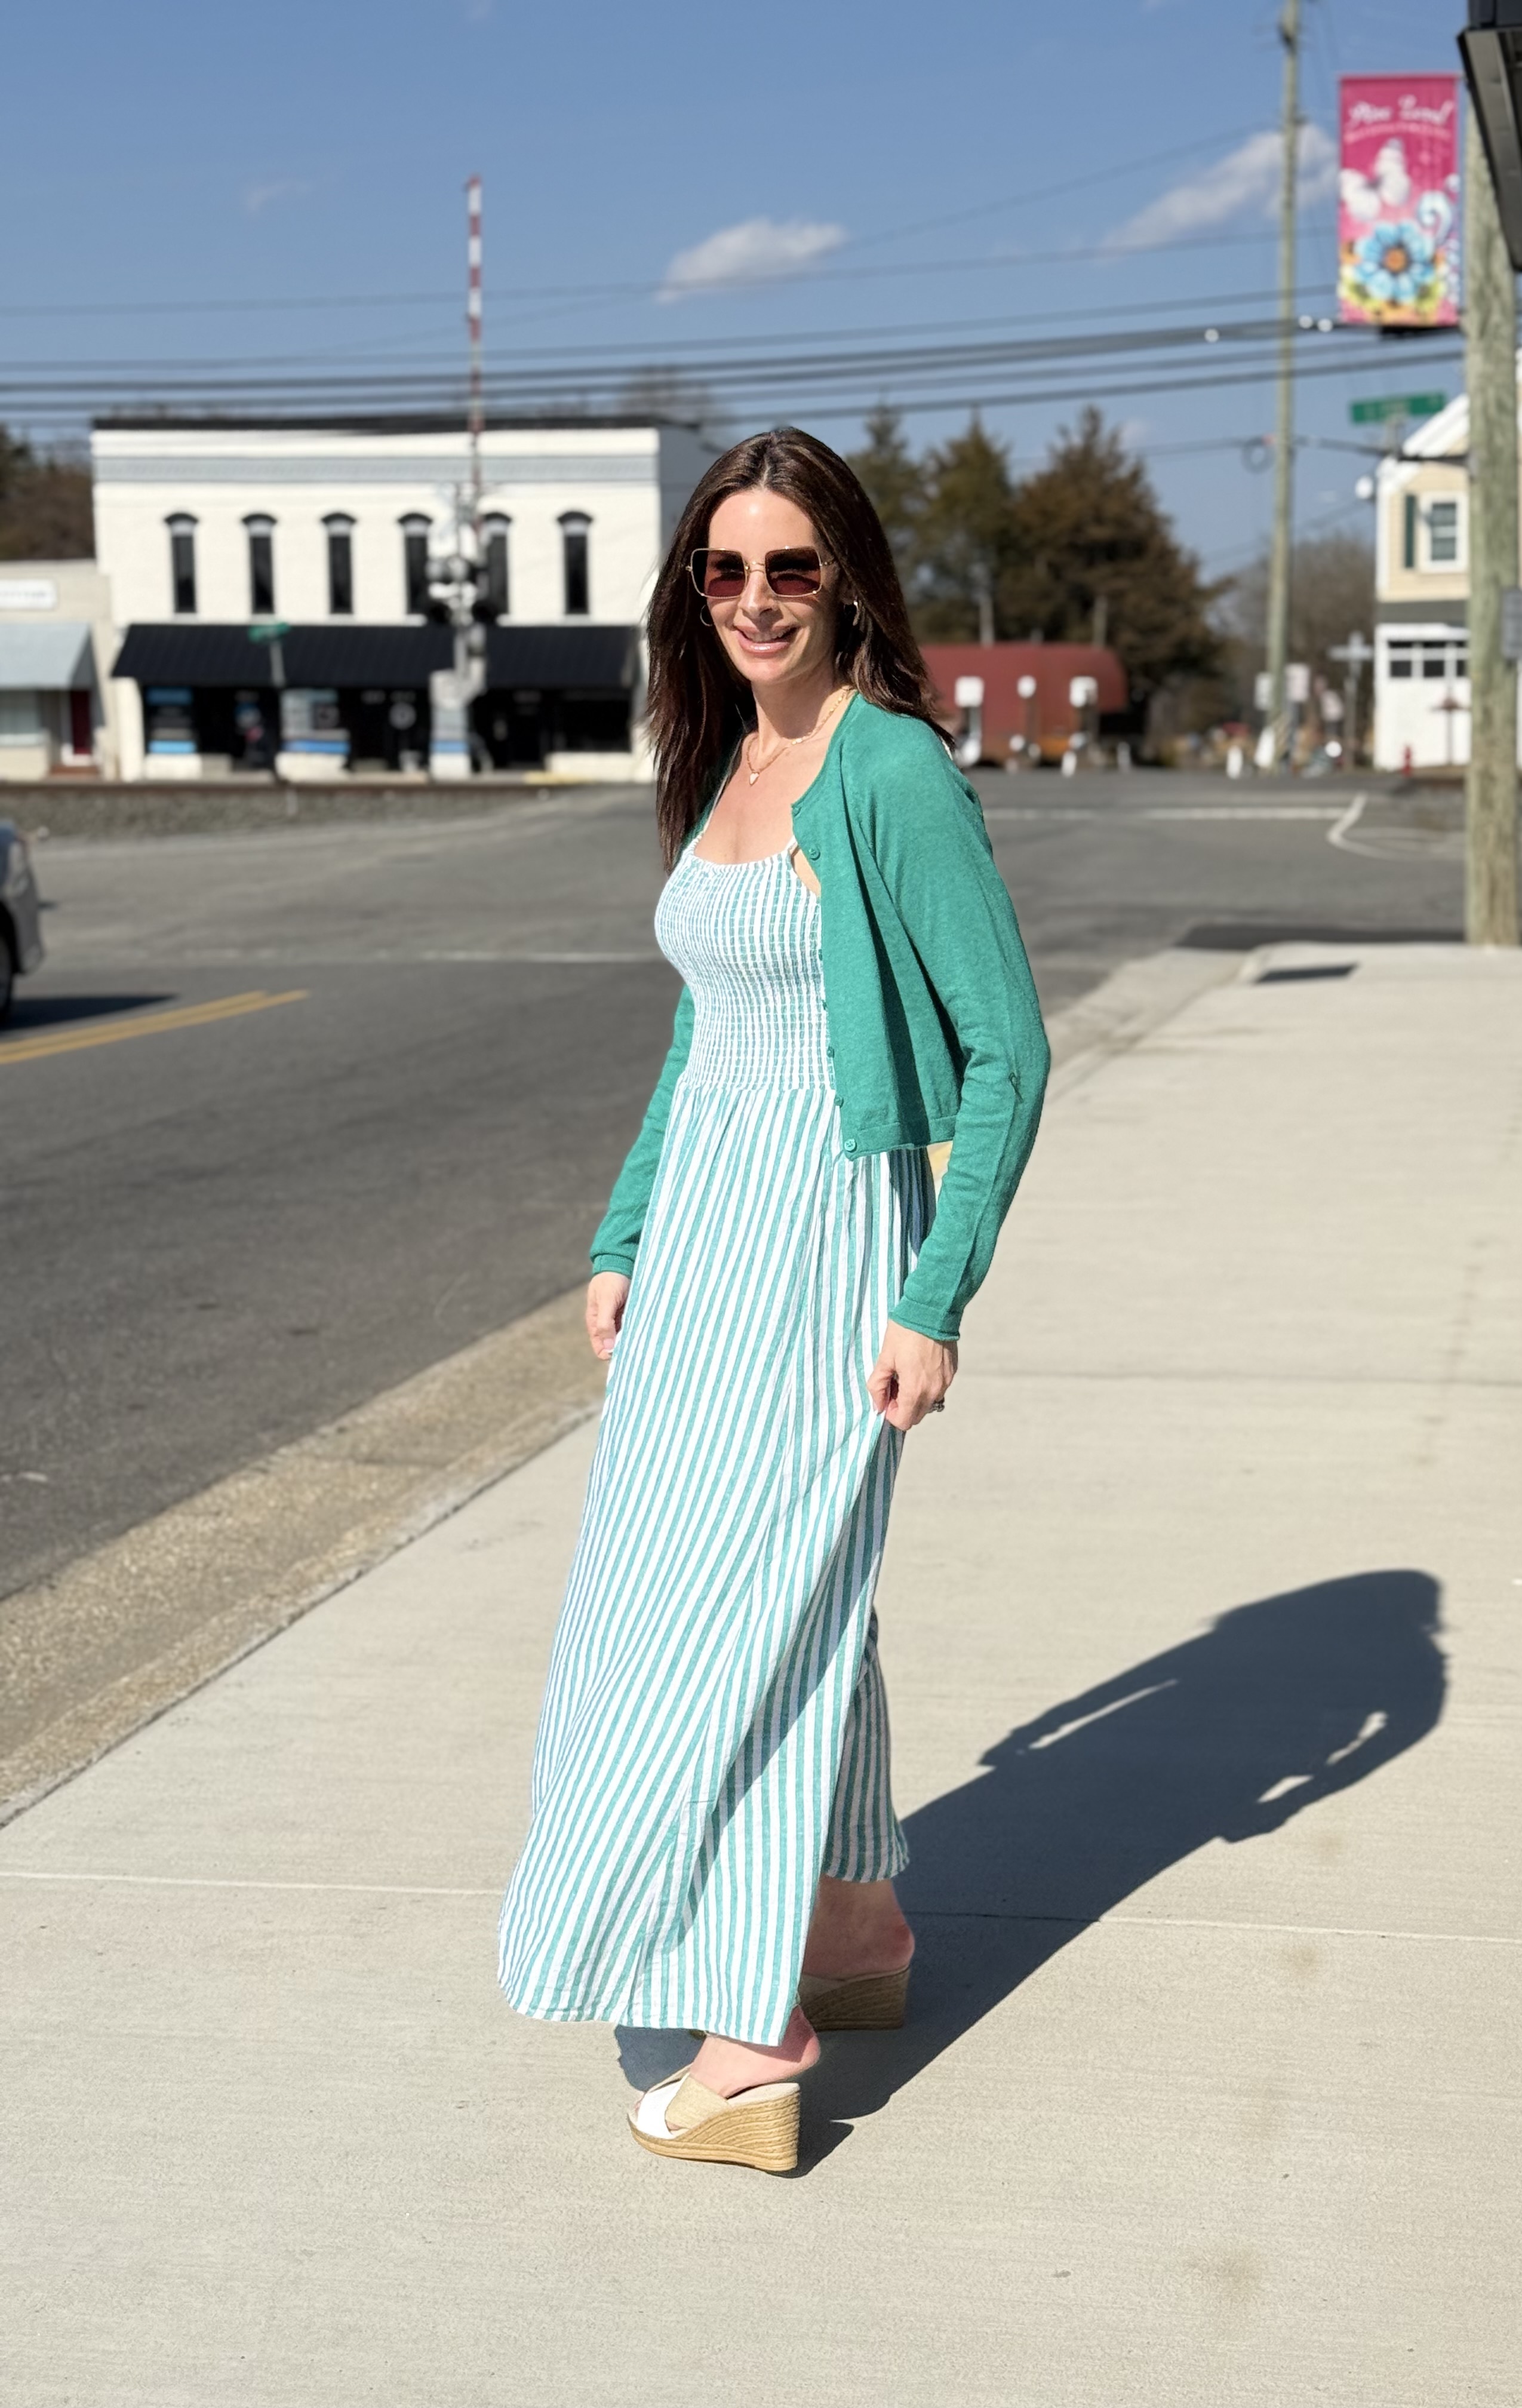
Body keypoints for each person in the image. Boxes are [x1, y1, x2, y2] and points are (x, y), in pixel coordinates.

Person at [497, 426, 1049, 2174]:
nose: (753, 599)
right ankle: (858, 1927)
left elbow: (1008, 1055)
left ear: (847, 580)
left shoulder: (888, 774)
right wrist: (625, 1232)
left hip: (829, 1244)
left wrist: (934, 1292)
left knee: (723, 1620)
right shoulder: (726, 755)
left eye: (788, 567)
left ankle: (756, 2038)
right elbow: (701, 1030)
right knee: (798, 1589)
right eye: (723, 570)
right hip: (707, 1252)